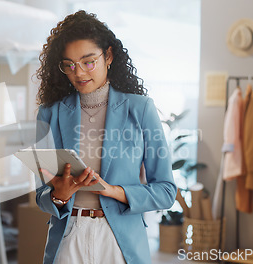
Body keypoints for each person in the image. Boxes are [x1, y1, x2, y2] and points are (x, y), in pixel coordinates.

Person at [34, 10, 177, 264]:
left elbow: (165, 191)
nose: (78, 73)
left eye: (88, 62)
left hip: (119, 240)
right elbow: (41, 196)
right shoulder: (50, 113)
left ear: (108, 56)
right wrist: (59, 195)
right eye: (69, 65)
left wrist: (114, 191)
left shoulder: (141, 109)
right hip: (69, 238)